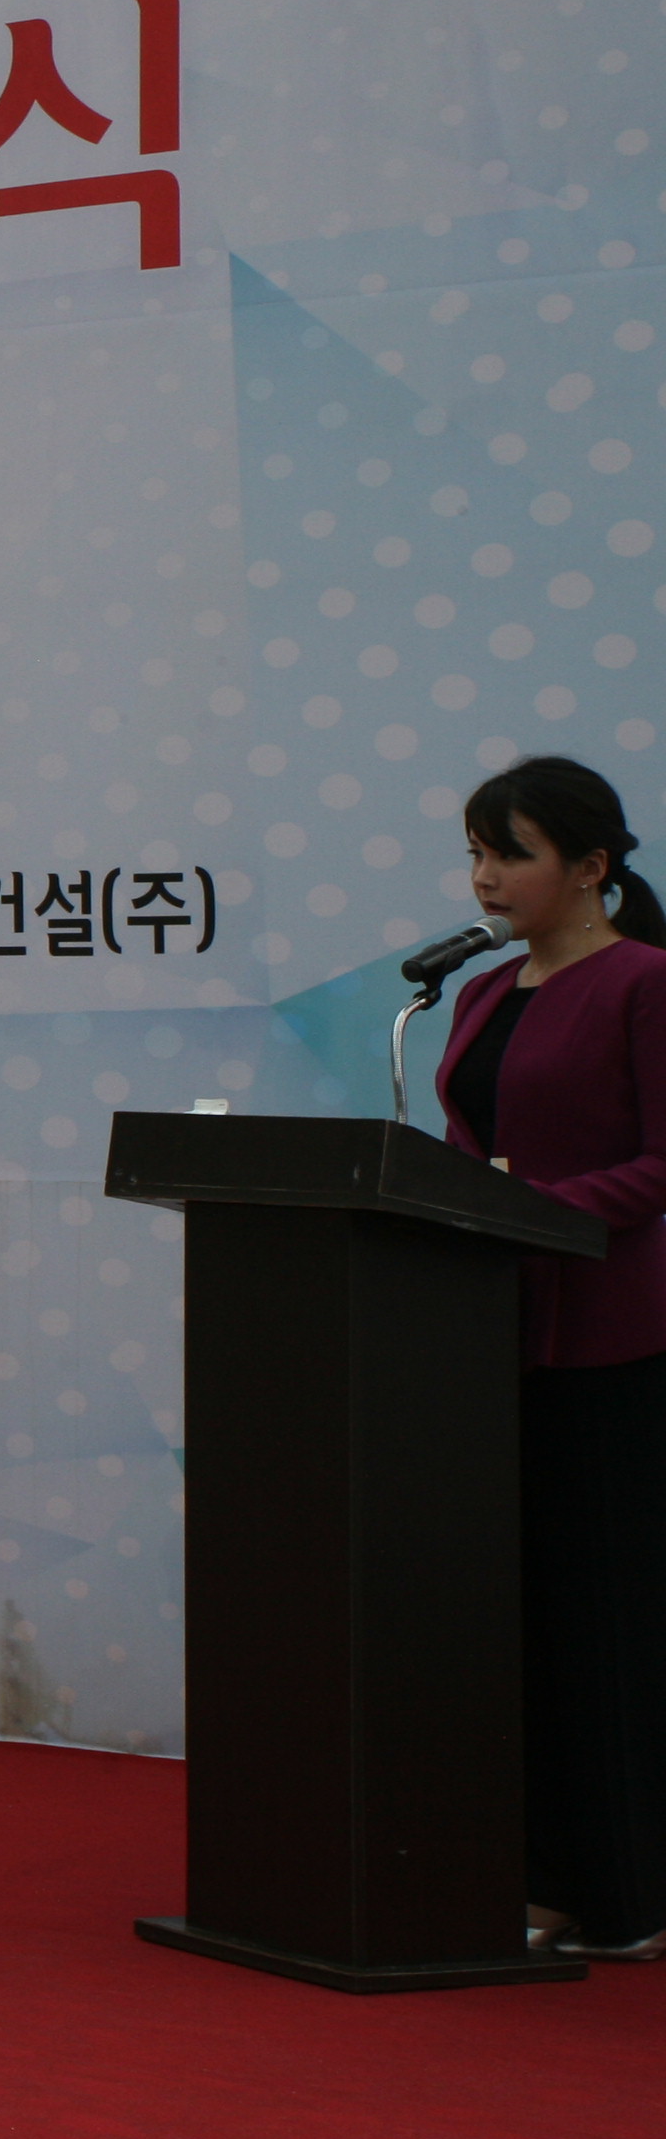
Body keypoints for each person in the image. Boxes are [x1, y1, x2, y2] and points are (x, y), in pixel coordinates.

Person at [434, 754, 666, 1958]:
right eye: (475, 853)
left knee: (605, 1622)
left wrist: (537, 1209)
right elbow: (467, 1151)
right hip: (494, 1337)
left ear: (591, 866)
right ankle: (546, 1876)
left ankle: (632, 1896)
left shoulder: (644, 984)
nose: (485, 877)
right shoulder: (480, 993)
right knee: (520, 1619)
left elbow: (662, 1164)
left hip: (613, 1343)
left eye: (510, 853)